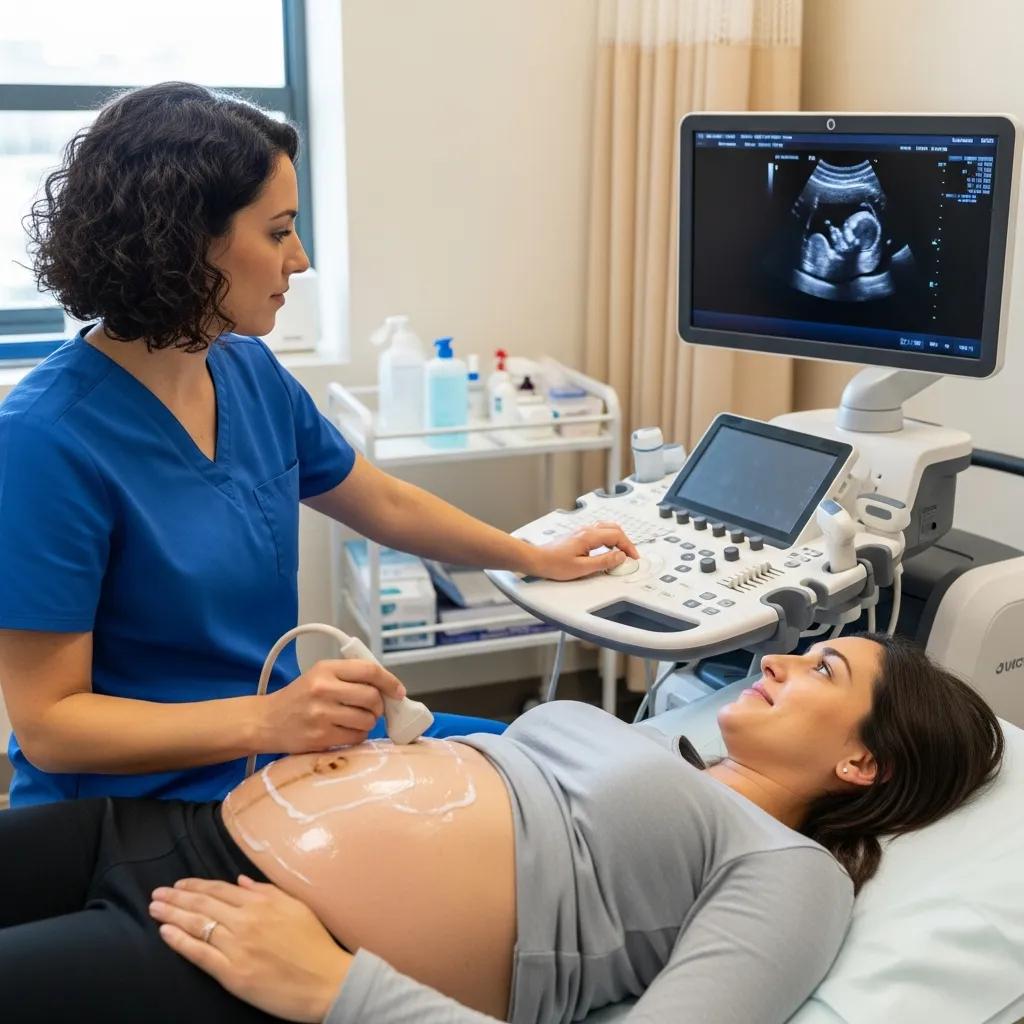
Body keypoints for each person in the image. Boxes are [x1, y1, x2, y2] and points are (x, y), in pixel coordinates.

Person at [0, 81, 638, 807]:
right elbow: (52, 726)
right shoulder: (46, 439)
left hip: (277, 754)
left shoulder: (247, 372)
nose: (299, 260)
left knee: (551, 759)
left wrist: (531, 556)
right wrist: (270, 717)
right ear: (182, 241)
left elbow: (384, 502)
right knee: (523, 820)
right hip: (142, 803)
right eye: (278, 232)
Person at [0, 634, 1004, 1023]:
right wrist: (402, 723)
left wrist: (344, 990)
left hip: (236, 944)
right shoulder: (654, 743)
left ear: (862, 761)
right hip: (166, 830)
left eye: (824, 669)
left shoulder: (788, 872)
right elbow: (506, 782)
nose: (784, 657)